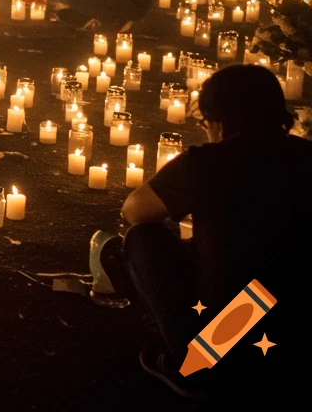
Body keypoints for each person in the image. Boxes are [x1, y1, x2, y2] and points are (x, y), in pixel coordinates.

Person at [113, 65, 307, 396]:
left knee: (141, 239)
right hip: (298, 346)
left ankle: (195, 367)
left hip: (229, 346)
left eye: (204, 123)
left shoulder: (206, 162)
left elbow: (134, 210)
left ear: (219, 122)